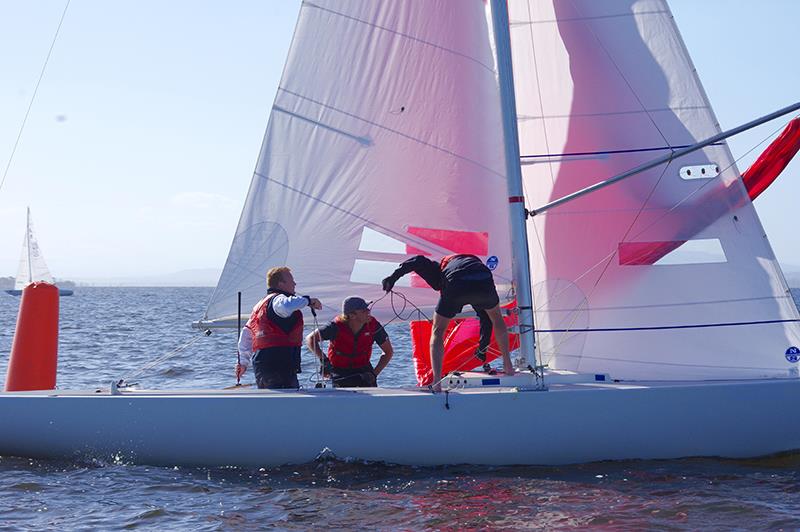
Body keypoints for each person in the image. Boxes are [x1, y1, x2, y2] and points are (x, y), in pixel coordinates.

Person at [381, 254, 513, 391]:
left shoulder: (441, 267)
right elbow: (487, 322)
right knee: (497, 319)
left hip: (456, 281)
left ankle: (437, 382)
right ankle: (508, 366)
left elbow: (417, 261)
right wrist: (482, 348)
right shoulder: (469, 263)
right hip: (483, 279)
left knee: (438, 331)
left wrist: (393, 277)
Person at [236, 266, 321, 389]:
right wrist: (308, 301)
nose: (295, 283)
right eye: (291, 280)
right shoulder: (278, 300)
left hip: (263, 365)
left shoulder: (260, 305)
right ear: (281, 284)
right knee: (286, 403)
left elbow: (246, 334)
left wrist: (243, 362)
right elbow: (287, 305)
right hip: (278, 366)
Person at [306, 296, 393, 388]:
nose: (368, 312)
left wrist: (374, 374)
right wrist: (323, 360)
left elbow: (388, 352)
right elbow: (310, 339)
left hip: (364, 370)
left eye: (368, 309)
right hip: (339, 371)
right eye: (364, 311)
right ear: (352, 316)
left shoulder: (373, 325)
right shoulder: (335, 327)